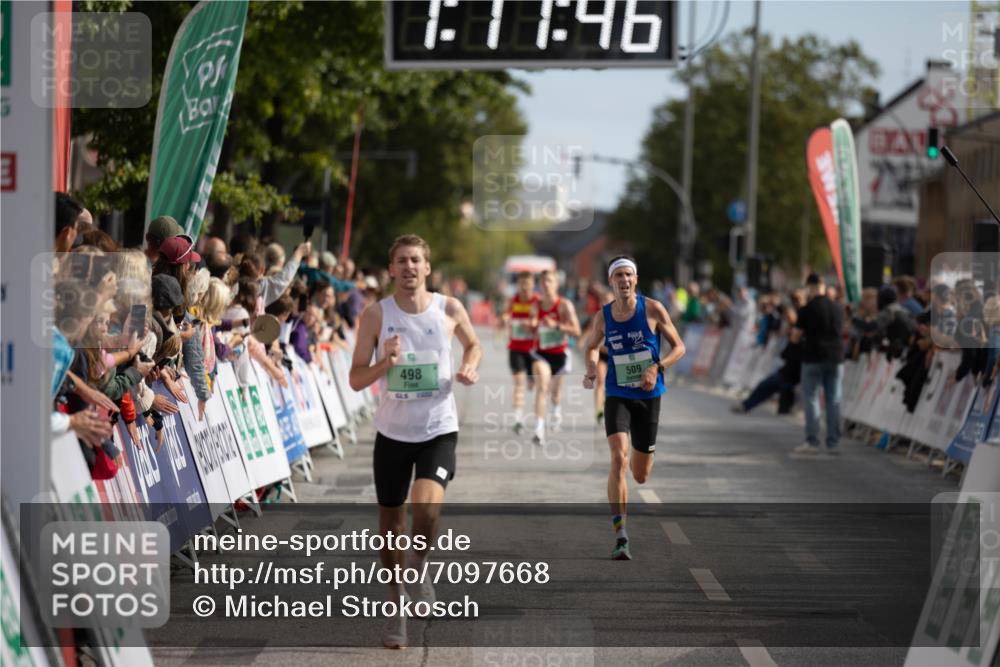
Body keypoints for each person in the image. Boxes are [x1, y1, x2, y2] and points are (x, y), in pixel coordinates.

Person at [348, 234, 481, 649]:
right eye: (401, 261)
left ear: (427, 267)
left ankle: (418, 565)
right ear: (391, 269)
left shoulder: (449, 308)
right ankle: (395, 603)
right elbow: (355, 378)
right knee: (391, 526)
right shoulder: (376, 315)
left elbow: (473, 344)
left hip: (438, 427)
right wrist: (385, 363)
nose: (409, 267)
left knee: (425, 508)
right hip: (392, 432)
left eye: (415, 260)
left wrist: (470, 366)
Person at [582, 256, 685, 560]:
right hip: (617, 393)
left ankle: (643, 457)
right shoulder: (603, 316)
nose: (624, 280)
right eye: (619, 276)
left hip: (649, 396)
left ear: (636, 279)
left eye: (629, 275)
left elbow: (679, 347)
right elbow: (591, 346)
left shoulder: (653, 309)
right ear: (611, 281)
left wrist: (657, 367)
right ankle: (621, 535)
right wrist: (591, 370)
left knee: (640, 475)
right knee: (618, 458)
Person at [791, 273, 844, 455]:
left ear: (810, 287)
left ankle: (812, 441)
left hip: (813, 356)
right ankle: (833, 442)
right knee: (834, 399)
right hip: (835, 357)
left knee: (811, 398)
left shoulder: (806, 309)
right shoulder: (837, 308)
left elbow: (796, 337)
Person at [532, 269, 581, 434]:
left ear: (556, 284)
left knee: (555, 393)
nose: (546, 284)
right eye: (543, 281)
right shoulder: (536, 305)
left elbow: (577, 330)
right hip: (541, 354)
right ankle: (539, 428)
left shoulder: (564, 305)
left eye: (550, 281)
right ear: (540, 284)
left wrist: (557, 326)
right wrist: (531, 326)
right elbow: (530, 327)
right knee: (542, 387)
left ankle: (556, 410)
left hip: (560, 355)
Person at [500, 272, 541, 436]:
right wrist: (504, 318)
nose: (524, 287)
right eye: (521, 283)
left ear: (533, 285)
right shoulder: (513, 300)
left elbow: (539, 320)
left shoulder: (537, 301)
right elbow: (505, 314)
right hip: (516, 348)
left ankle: (538, 415)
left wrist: (531, 323)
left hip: (534, 350)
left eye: (527, 284)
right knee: (519, 383)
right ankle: (518, 419)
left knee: (533, 385)